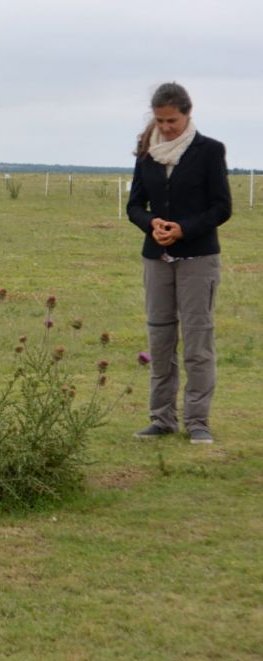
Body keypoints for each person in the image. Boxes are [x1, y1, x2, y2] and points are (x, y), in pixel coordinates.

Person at [127, 82, 232, 444]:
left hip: (199, 258)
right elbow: (134, 206)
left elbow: (222, 207)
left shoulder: (210, 151)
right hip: (156, 260)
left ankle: (198, 421)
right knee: (159, 339)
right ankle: (162, 419)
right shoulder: (146, 153)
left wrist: (183, 230)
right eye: (160, 121)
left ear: (187, 114)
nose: (166, 127)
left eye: (172, 120)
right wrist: (151, 223)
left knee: (198, 342)